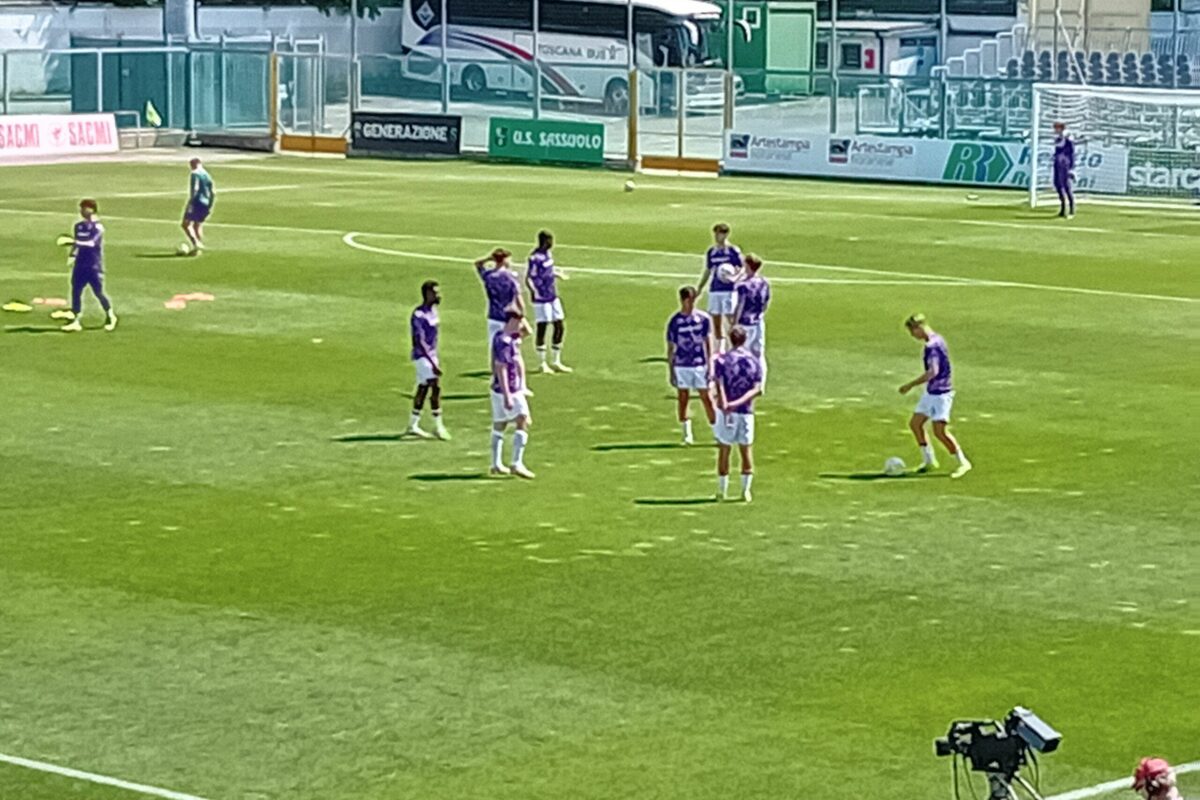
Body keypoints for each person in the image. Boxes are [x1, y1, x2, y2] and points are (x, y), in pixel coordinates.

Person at [899, 314, 972, 478]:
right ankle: (929, 460)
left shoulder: (932, 346)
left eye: (912, 332)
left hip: (941, 394)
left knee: (940, 432)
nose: (913, 336)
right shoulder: (938, 339)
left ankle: (963, 462)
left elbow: (933, 372)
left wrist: (910, 385)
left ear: (918, 327)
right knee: (916, 424)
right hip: (931, 392)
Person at [713, 326, 763, 503]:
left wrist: (726, 402)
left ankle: (722, 491)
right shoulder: (753, 361)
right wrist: (739, 402)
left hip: (726, 412)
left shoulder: (722, 360)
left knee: (724, 450)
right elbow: (757, 389)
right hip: (746, 411)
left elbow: (719, 383)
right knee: (746, 450)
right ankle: (745, 491)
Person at [666, 286, 716, 446]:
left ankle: (717, 431)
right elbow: (671, 348)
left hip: (700, 363)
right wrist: (671, 370)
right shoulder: (675, 322)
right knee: (683, 398)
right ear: (682, 300)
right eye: (689, 301)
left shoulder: (703, 319)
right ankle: (686, 432)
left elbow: (709, 343)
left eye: (693, 300)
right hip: (682, 365)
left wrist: (711, 365)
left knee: (706, 397)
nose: (692, 304)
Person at [490, 310, 535, 479]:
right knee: (523, 419)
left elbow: (527, 332)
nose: (522, 325)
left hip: (498, 389)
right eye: (519, 322)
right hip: (509, 389)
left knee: (500, 424)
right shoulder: (505, 342)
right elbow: (500, 367)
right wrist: (508, 395)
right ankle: (517, 463)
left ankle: (496, 464)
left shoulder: (502, 336)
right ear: (512, 322)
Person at [62, 199, 117, 333]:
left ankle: (110, 315)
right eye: (81, 208)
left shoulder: (98, 227)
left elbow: (92, 243)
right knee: (76, 292)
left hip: (93, 265)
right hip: (80, 264)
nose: (82, 211)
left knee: (98, 292)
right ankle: (76, 320)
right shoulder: (78, 226)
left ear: (92, 209)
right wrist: (72, 255)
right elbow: (76, 245)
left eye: (84, 208)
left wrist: (74, 242)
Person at [407, 280, 450, 441]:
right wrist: (432, 363)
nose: (439, 295)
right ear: (427, 294)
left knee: (423, 388)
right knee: (435, 386)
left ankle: (413, 424)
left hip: (431, 355)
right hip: (422, 356)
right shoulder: (419, 315)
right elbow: (419, 340)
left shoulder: (434, 311)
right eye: (435, 293)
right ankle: (438, 426)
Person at [526, 229, 572, 374]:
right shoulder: (535, 258)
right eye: (550, 240)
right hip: (541, 298)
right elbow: (529, 277)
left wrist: (557, 274)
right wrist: (534, 292)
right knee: (543, 326)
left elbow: (548, 271)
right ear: (545, 241)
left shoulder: (548, 255)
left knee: (559, 325)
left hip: (553, 295)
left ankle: (556, 361)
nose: (552, 243)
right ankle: (542, 363)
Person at [696, 222, 743, 353]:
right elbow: (708, 271)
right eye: (716, 234)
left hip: (729, 290)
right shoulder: (712, 252)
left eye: (720, 234)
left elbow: (742, 267)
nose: (717, 237)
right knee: (716, 319)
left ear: (726, 235)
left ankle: (735, 346)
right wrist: (700, 287)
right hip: (715, 290)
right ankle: (720, 348)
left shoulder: (733, 250)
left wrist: (735, 278)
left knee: (731, 319)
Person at [733, 253, 771, 390]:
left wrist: (735, 323)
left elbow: (740, 305)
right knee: (759, 354)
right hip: (758, 321)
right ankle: (761, 384)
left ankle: (745, 383)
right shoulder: (764, 282)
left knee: (743, 354)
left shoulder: (743, 285)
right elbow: (766, 302)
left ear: (748, 265)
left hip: (745, 324)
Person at [475, 248, 523, 355]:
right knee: (511, 348)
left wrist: (488, 259)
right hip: (509, 317)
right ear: (504, 260)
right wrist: (521, 316)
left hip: (493, 316)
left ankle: (494, 366)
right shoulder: (510, 278)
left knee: (494, 349)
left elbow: (477, 264)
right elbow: (519, 299)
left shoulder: (488, 276)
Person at [182, 157, 215, 252]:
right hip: (206, 202)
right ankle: (198, 248)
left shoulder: (195, 174)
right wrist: (210, 204)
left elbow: (195, 189)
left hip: (196, 201)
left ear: (193, 164)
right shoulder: (207, 175)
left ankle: (196, 243)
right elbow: (213, 192)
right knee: (197, 225)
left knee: (186, 224)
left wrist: (190, 202)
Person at [1053, 122, 1075, 219]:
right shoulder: (1058, 138)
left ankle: (1071, 209)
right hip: (1058, 163)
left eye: (1057, 128)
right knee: (1057, 184)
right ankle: (1063, 208)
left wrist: (1071, 167)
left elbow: (1071, 152)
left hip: (1065, 164)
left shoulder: (1067, 137)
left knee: (1066, 186)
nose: (1055, 130)